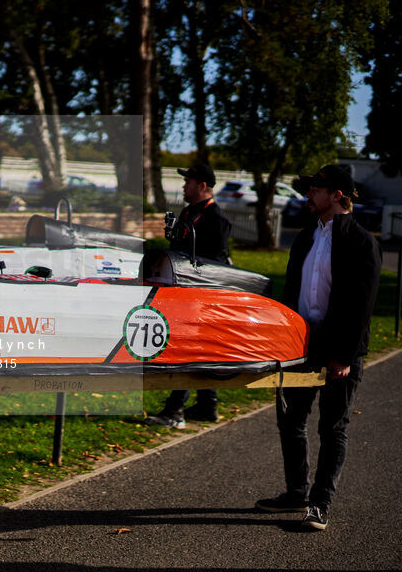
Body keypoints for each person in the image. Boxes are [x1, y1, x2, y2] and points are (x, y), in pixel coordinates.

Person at [255, 164, 381, 531]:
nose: (308, 195)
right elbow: (292, 291)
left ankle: (320, 503)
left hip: (337, 352)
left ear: (336, 195)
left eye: (315, 189)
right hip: (301, 346)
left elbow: (362, 304)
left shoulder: (360, 241)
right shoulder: (307, 235)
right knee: (291, 420)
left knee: (332, 427)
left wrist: (344, 355)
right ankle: (296, 492)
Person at [147, 163, 231, 429]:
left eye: (189, 182)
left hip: (201, 296)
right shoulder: (189, 212)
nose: (184, 186)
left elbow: (216, 263)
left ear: (202, 186)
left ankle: (175, 411)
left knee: (188, 350)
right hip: (182, 291)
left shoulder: (216, 219)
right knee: (201, 351)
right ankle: (208, 405)